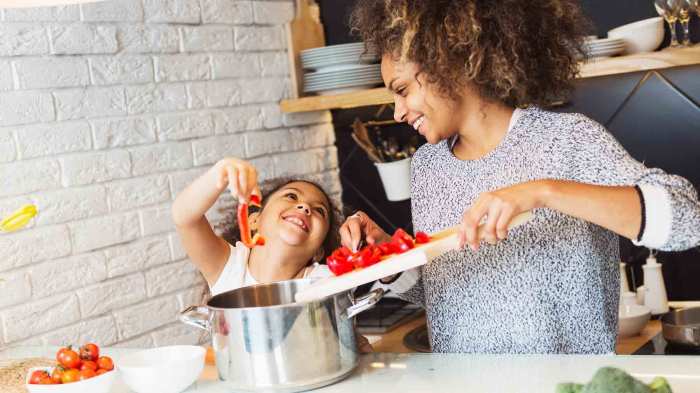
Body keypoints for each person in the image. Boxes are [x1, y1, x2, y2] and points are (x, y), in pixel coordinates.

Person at [341, 0, 700, 354]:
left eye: (402, 90)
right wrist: (389, 259)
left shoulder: (566, 140)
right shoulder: (427, 167)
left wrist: (543, 192)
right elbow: (447, 297)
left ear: (449, 63)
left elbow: (688, 219)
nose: (398, 111)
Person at [172, 158, 339, 295]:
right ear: (254, 221)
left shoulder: (325, 279)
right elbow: (185, 218)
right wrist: (220, 171)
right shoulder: (230, 267)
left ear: (319, 251)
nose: (305, 207)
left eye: (319, 210)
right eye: (291, 196)